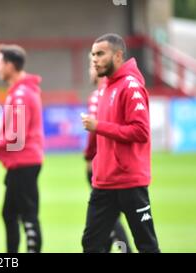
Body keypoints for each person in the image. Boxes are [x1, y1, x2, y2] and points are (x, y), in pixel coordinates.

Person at [81, 33, 160, 253]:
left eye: (100, 54)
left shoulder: (130, 86)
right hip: (104, 182)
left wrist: (99, 127)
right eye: (93, 54)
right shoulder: (106, 87)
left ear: (117, 56)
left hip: (130, 182)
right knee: (91, 243)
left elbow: (140, 131)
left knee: (146, 245)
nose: (95, 59)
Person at [0, 44, 44, 253]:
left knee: (27, 214)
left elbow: (16, 133)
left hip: (24, 162)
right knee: (10, 214)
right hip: (22, 162)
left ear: (10, 65)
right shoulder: (20, 91)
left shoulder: (21, 93)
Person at [83, 54, 132, 253]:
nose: (90, 69)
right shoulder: (115, 91)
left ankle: (124, 249)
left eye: (91, 65)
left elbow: (95, 131)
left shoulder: (99, 95)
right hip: (121, 164)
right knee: (109, 217)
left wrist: (88, 156)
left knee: (106, 217)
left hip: (104, 166)